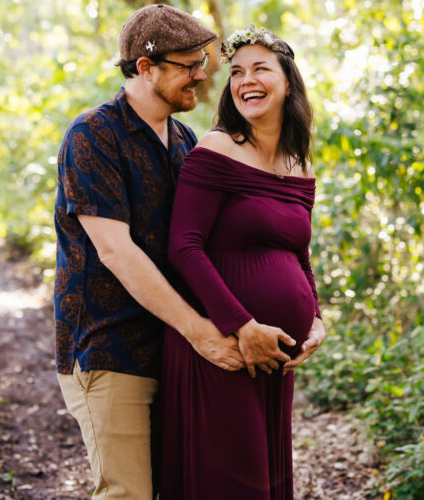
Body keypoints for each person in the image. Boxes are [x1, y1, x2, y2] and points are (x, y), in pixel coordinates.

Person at [53, 4, 245, 500]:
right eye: (188, 65)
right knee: (127, 495)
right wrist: (201, 333)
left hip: (173, 352)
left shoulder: (184, 140)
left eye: (202, 61)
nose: (201, 76)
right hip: (109, 348)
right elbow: (118, 253)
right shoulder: (93, 135)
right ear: (145, 67)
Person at [159, 25, 327, 499]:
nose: (245, 80)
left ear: (287, 81)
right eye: (236, 72)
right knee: (230, 481)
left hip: (276, 356)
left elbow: (299, 253)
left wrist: (315, 316)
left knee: (263, 480)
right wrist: (242, 326)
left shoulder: (300, 164)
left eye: (259, 69)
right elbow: (184, 247)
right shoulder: (216, 149)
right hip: (225, 347)